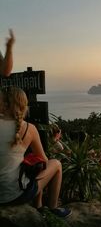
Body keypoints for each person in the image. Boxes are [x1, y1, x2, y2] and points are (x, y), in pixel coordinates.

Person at [0, 86, 71, 218]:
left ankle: (38, 206)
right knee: (55, 164)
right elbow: (44, 161)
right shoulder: (29, 128)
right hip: (15, 195)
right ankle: (53, 208)